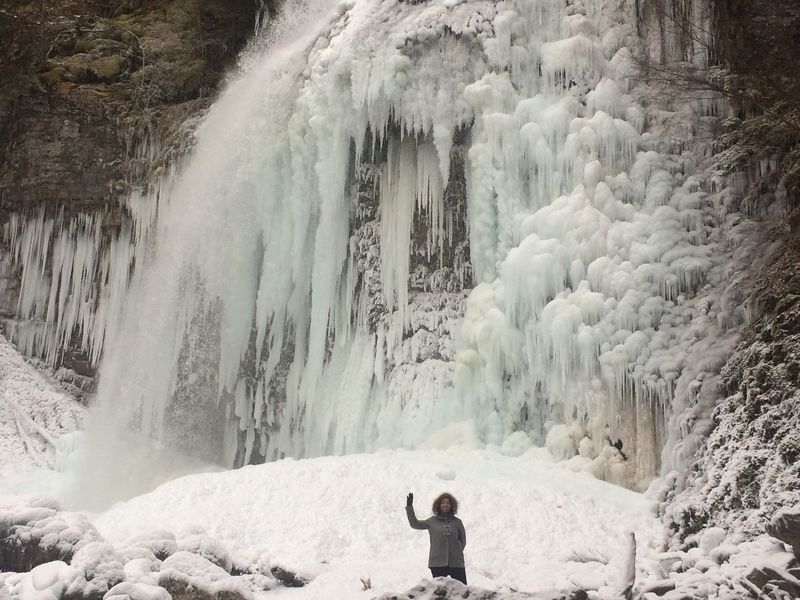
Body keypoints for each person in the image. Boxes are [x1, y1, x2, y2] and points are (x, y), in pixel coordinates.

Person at [405, 491, 467, 585]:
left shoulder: (458, 522)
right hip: (437, 563)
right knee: (439, 591)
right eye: (442, 502)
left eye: (448, 503)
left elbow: (463, 541)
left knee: (463, 591)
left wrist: (455, 552)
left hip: (456, 563)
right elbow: (415, 524)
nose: (445, 505)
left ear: (452, 505)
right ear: (438, 505)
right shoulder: (432, 521)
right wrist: (409, 507)